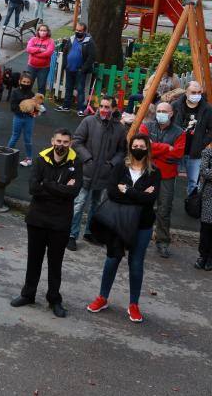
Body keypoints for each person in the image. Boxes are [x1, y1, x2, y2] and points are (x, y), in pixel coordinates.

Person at [86, 134, 160, 324]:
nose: (138, 148)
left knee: (136, 264)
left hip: (142, 225)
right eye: (135, 145)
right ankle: (102, 297)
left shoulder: (154, 172)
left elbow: (150, 200)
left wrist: (126, 190)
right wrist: (139, 195)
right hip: (118, 222)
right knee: (113, 258)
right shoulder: (120, 166)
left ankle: (134, 304)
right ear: (130, 148)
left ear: (147, 149)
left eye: (142, 146)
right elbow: (111, 192)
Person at [9, 129, 82, 317]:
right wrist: (61, 188)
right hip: (37, 219)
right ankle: (28, 294)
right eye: (58, 140)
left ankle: (54, 299)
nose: (61, 145)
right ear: (52, 141)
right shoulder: (41, 159)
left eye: (65, 142)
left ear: (70, 143)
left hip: (60, 222)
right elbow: (33, 188)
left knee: (55, 263)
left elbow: (73, 192)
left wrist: (47, 184)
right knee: (34, 259)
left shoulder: (77, 162)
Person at [69, 95, 127, 250]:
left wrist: (111, 164)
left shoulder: (120, 129)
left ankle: (90, 233)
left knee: (97, 206)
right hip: (86, 171)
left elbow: (122, 151)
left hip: (104, 175)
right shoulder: (88, 121)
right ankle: (71, 235)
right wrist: (87, 159)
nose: (103, 109)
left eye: (107, 107)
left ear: (114, 109)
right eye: (101, 106)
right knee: (78, 204)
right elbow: (77, 141)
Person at [139, 102, 185, 258]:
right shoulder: (146, 126)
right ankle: (133, 236)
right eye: (158, 110)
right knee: (141, 205)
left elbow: (177, 154)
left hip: (167, 176)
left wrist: (154, 148)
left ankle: (163, 242)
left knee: (164, 209)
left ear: (171, 113)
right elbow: (143, 148)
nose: (160, 113)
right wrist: (166, 147)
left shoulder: (179, 132)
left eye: (164, 111)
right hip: (148, 174)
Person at [171, 81, 212, 196]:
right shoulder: (175, 106)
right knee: (169, 180)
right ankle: (167, 205)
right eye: (193, 92)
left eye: (199, 92)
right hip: (176, 150)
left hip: (195, 151)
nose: (197, 95)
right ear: (186, 92)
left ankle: (191, 207)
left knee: (194, 182)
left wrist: (202, 143)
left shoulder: (207, 109)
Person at [57, 23, 95, 113]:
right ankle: (66, 106)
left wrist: (83, 69)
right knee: (68, 88)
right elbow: (65, 52)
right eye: (77, 30)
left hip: (80, 70)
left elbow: (92, 57)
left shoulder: (89, 41)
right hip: (70, 68)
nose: (77, 32)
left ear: (84, 31)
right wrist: (66, 65)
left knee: (80, 89)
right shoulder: (71, 38)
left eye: (80, 31)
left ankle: (80, 109)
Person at [7, 71, 39, 167]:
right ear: (19, 81)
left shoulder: (32, 94)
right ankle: (7, 154)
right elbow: (13, 107)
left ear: (31, 83)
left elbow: (35, 108)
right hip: (18, 118)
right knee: (15, 136)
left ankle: (29, 158)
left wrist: (35, 112)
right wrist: (24, 110)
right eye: (24, 82)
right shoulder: (15, 92)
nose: (25, 84)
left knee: (28, 139)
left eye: (28, 82)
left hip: (29, 119)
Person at [26, 24, 55, 95]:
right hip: (31, 66)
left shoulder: (51, 41)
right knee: (27, 84)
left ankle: (40, 104)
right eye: (41, 30)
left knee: (41, 86)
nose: (42, 32)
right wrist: (40, 49)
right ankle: (26, 101)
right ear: (38, 31)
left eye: (44, 30)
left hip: (43, 68)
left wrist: (34, 53)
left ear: (47, 32)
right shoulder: (33, 39)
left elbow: (48, 54)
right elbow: (28, 49)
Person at [196, 144, 212, 271]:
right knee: (206, 227)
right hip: (209, 194)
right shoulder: (208, 151)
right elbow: (203, 171)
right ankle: (203, 256)